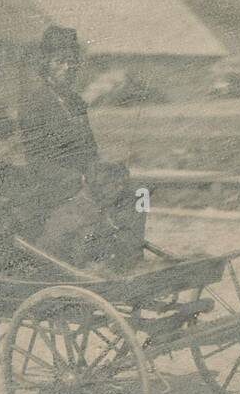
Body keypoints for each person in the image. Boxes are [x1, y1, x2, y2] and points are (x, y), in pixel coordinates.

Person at [16, 25, 144, 270]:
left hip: (84, 180)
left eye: (72, 62)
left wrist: (105, 172)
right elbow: (37, 162)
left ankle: (126, 261)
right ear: (46, 64)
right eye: (60, 61)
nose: (68, 68)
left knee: (136, 194)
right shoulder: (34, 104)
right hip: (52, 185)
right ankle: (88, 260)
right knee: (88, 205)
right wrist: (79, 179)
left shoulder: (75, 102)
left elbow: (90, 150)